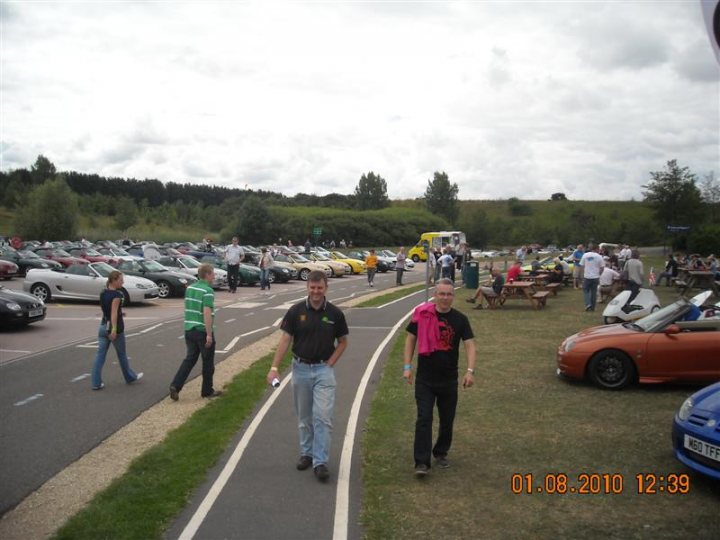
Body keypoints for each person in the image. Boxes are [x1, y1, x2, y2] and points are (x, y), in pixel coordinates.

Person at [266, 271, 349, 482]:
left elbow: (343, 342)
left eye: (319, 288)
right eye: (312, 288)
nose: (315, 292)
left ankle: (320, 462)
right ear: (307, 288)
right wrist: (274, 367)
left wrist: (331, 363)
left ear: (326, 288)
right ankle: (307, 454)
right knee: (304, 418)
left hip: (323, 371)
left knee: (322, 417)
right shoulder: (295, 311)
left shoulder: (335, 314)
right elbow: (285, 340)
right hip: (300, 369)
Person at [403, 279, 476, 477]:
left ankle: (441, 452)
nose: (445, 298)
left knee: (447, 420)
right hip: (425, 379)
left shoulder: (460, 319)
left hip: (449, 379)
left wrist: (470, 371)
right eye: (441, 294)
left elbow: (469, 344)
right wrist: (407, 367)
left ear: (453, 296)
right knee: (424, 419)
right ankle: (421, 462)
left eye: (449, 294)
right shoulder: (423, 315)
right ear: (435, 294)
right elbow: (410, 339)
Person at [169, 263, 222, 400]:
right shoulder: (208, 291)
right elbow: (207, 313)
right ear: (208, 274)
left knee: (190, 359)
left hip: (189, 328)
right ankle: (207, 391)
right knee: (207, 362)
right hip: (201, 330)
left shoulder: (190, 288)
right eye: (213, 274)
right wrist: (209, 334)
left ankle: (176, 385)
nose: (214, 276)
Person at [91, 271, 143, 390]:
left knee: (100, 355)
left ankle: (96, 382)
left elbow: (107, 310)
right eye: (120, 280)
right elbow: (113, 313)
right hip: (114, 328)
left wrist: (120, 313)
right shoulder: (117, 295)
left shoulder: (103, 292)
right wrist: (114, 330)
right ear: (114, 280)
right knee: (122, 354)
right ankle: (129, 377)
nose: (123, 282)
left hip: (103, 326)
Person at [578, 244, 604, 311]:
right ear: (597, 249)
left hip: (587, 276)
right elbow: (602, 268)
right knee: (594, 292)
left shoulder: (585, 255)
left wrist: (582, 274)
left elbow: (581, 266)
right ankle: (592, 307)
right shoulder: (599, 256)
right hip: (595, 277)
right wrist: (599, 274)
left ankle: (588, 304)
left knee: (585, 291)